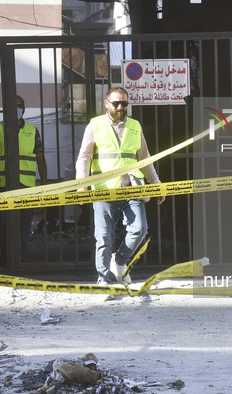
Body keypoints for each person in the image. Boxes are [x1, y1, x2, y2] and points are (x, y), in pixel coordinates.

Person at [76, 86, 165, 286]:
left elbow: (145, 158)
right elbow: (83, 158)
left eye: (124, 103)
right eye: (116, 103)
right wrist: (82, 185)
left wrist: (156, 183)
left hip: (132, 188)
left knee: (140, 229)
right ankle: (102, 279)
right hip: (104, 190)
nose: (120, 107)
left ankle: (120, 260)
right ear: (106, 104)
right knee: (104, 239)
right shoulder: (95, 125)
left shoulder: (134, 125)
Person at [0, 95, 47, 267]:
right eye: (13, 105)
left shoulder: (32, 130)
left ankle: (18, 257)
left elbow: (40, 158)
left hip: (26, 185)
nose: (17, 109)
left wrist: (44, 184)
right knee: (0, 224)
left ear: (24, 109)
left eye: (20, 106)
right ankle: (7, 253)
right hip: (3, 184)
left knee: (24, 225)